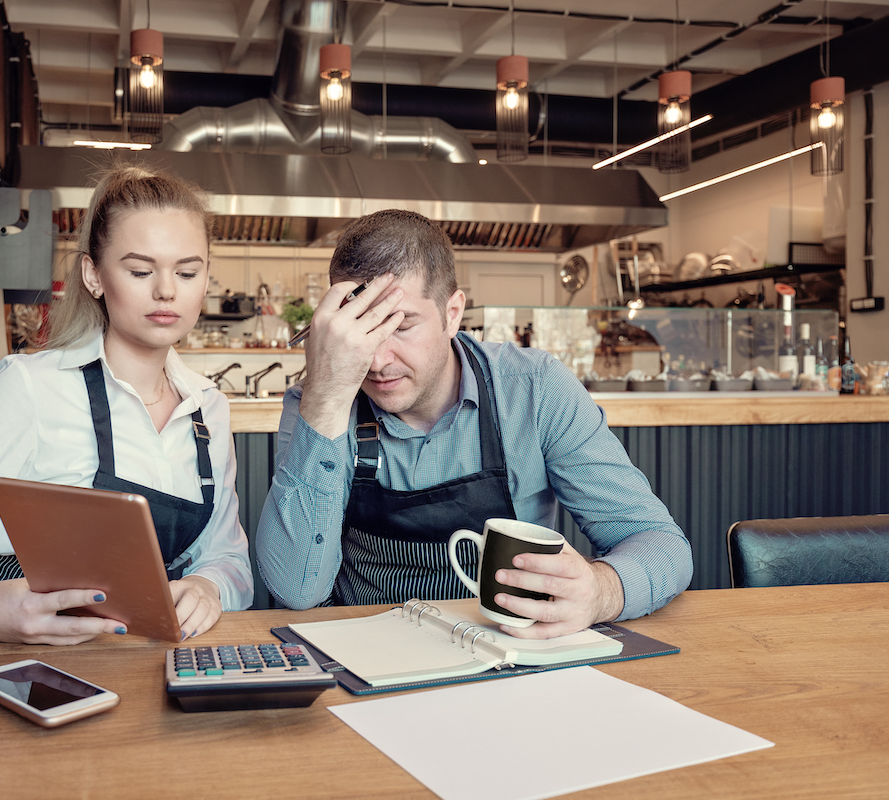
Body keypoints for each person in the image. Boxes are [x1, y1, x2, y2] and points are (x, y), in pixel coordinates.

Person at [255, 209, 691, 639]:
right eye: (360, 330)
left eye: (402, 325)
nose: (378, 360)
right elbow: (297, 589)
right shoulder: (317, 402)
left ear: (453, 313)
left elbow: (659, 542)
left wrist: (601, 592)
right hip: (365, 656)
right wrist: (327, 398)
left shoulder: (533, 388)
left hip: (508, 653)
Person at [0, 166, 254, 645]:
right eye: (140, 271)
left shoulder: (209, 408)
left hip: (140, 659)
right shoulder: (29, 388)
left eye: (187, 271)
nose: (167, 290)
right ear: (94, 276)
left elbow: (227, 559)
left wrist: (209, 585)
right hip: (13, 660)